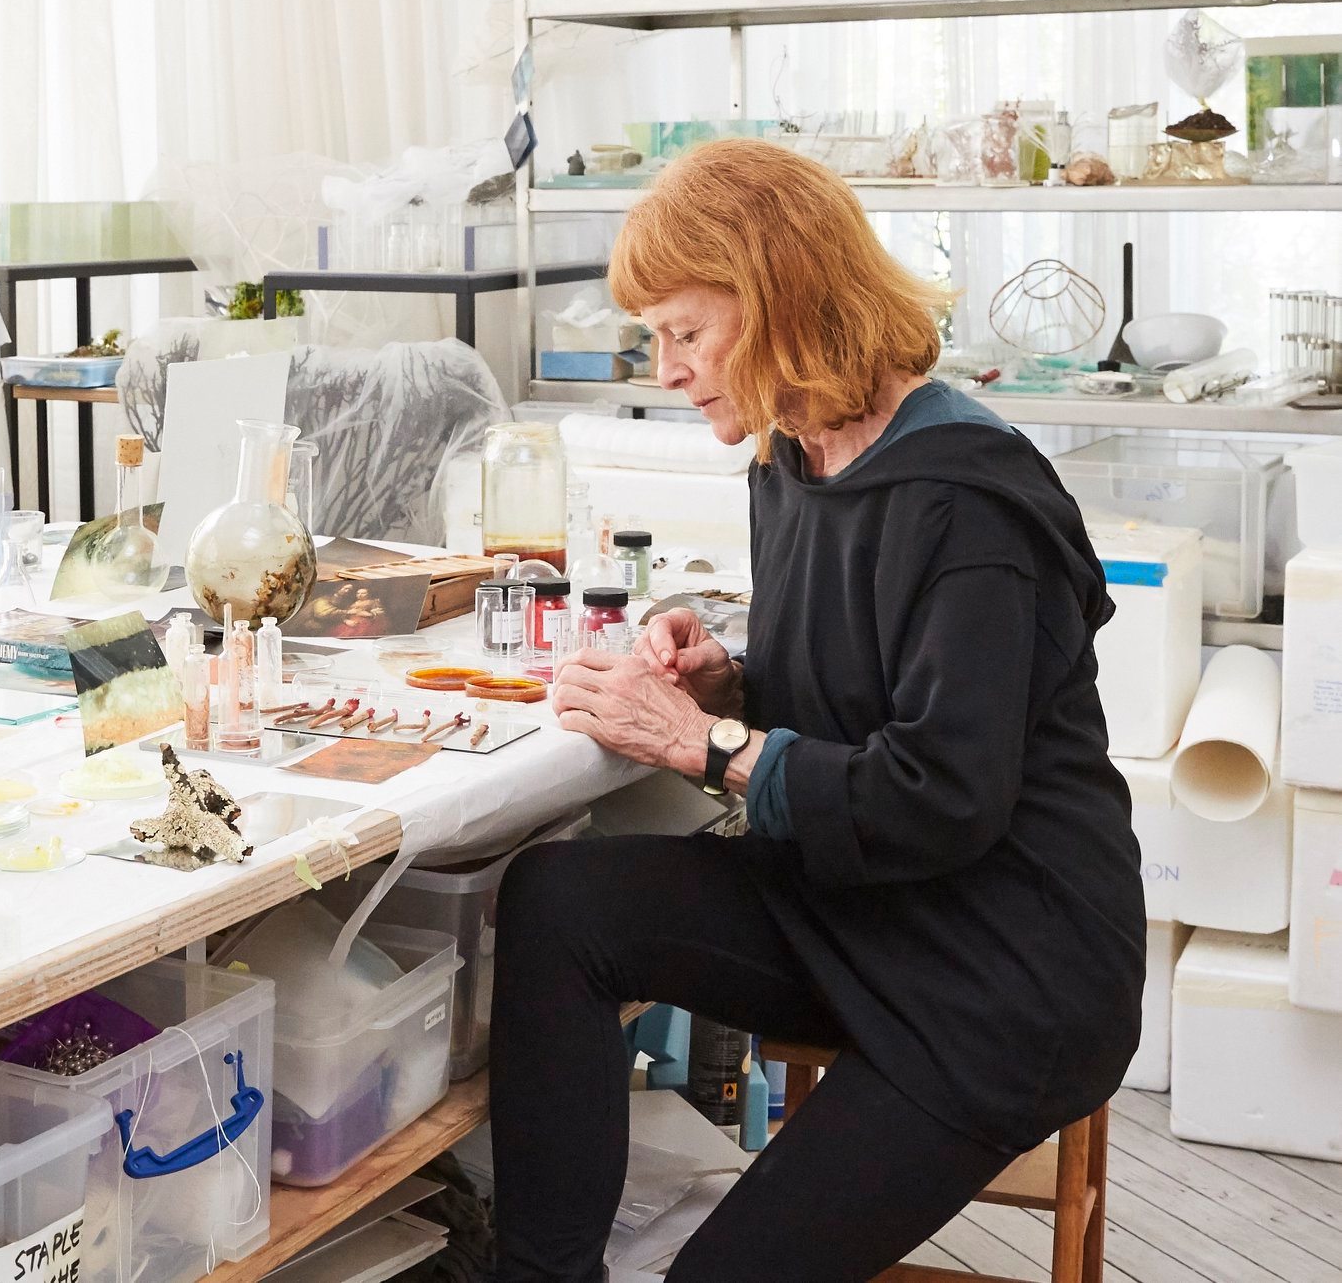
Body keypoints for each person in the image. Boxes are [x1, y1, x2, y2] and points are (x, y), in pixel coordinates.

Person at [488, 139, 1145, 1282]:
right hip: (858, 908)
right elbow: (850, 689)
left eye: (686, 333)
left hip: (998, 972)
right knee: (556, 899)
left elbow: (939, 795)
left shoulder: (966, 505)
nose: (668, 367)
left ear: (781, 301)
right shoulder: (791, 457)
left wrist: (705, 744)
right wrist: (732, 685)